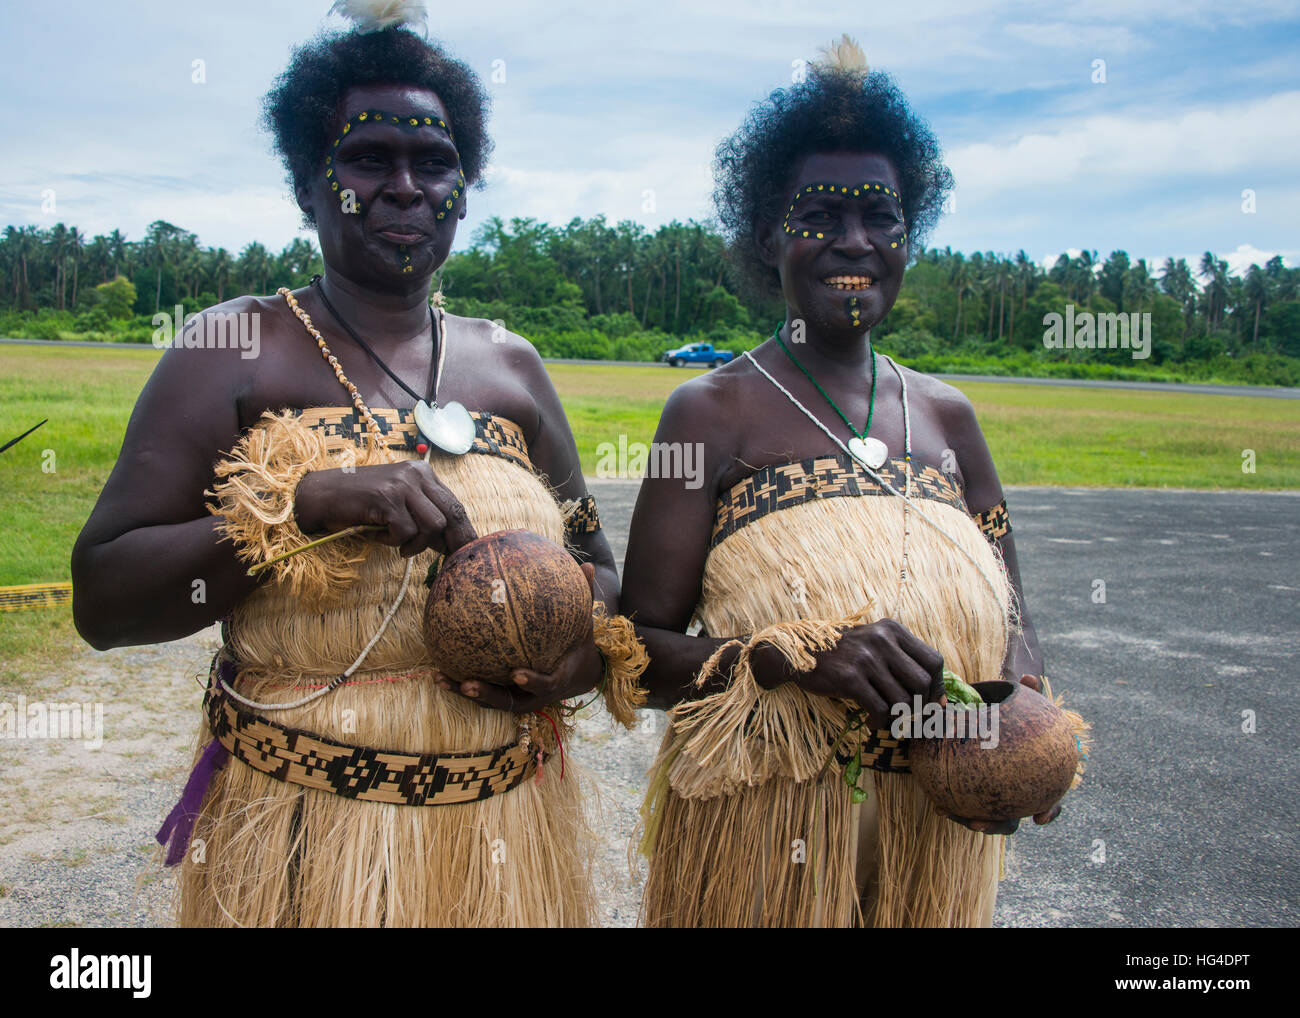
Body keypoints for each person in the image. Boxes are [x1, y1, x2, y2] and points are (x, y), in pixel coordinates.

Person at [70, 1, 644, 927]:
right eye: (370, 158)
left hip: (503, 835)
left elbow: (601, 572)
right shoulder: (233, 347)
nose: (407, 186)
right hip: (305, 841)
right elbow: (103, 599)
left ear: (466, 185)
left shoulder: (512, 364)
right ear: (310, 183)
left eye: (436, 162)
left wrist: (573, 659)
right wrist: (302, 509)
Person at [623, 37, 1083, 928]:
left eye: (883, 218)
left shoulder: (948, 419)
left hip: (934, 839)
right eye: (819, 216)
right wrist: (790, 658)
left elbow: (1014, 612)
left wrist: (1026, 719)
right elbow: (637, 655)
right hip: (765, 833)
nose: (855, 243)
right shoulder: (709, 414)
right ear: (766, 236)